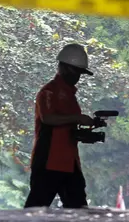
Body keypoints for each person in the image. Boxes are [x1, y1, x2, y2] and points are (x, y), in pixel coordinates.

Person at [24, 43, 95, 208]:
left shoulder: (70, 96)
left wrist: (82, 131)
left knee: (78, 210)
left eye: (80, 73)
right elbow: (48, 118)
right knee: (36, 208)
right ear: (63, 67)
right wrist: (77, 118)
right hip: (49, 160)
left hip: (70, 162)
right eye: (75, 71)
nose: (78, 76)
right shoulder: (48, 92)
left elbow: (68, 126)